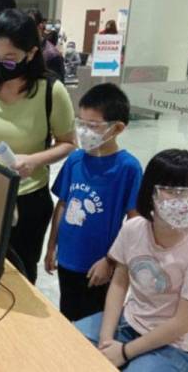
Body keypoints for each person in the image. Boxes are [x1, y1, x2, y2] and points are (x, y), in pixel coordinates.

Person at [0, 9, 76, 284]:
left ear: (31, 53)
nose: (0, 65)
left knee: (20, 276)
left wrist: (33, 161)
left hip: (29, 198)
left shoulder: (50, 91)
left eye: (10, 59)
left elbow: (68, 143)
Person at [74, 149, 188, 371]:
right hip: (131, 323)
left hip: (177, 345)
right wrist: (106, 341)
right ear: (150, 192)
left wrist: (123, 352)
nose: (184, 202)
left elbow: (183, 323)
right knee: (69, 343)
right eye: (173, 191)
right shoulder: (134, 229)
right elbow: (119, 283)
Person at [44, 83, 143, 322]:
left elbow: (135, 223)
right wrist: (51, 247)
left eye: (93, 126)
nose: (84, 132)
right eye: (81, 124)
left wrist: (111, 261)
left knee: (94, 323)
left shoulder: (128, 168)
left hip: (99, 264)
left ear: (117, 128)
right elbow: (63, 205)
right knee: (68, 316)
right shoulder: (75, 160)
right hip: (68, 258)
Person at [28, 9, 65, 83]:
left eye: (30, 26)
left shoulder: (52, 55)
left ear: (40, 26)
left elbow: (56, 85)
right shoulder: (23, 49)